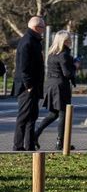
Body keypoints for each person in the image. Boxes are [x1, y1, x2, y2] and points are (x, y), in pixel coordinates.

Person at [34, 30, 75, 150]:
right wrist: (75, 67)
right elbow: (67, 73)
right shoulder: (64, 55)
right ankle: (60, 143)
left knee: (54, 113)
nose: (71, 41)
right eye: (69, 39)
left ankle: (35, 135)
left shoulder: (51, 54)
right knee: (63, 114)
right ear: (65, 41)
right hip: (60, 87)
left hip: (50, 85)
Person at [11, 17, 46, 151]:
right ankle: (18, 146)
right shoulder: (27, 42)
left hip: (34, 86)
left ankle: (29, 145)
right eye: (42, 28)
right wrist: (29, 86)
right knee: (24, 116)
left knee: (32, 116)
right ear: (36, 28)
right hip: (27, 87)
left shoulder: (34, 41)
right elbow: (23, 67)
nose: (43, 31)